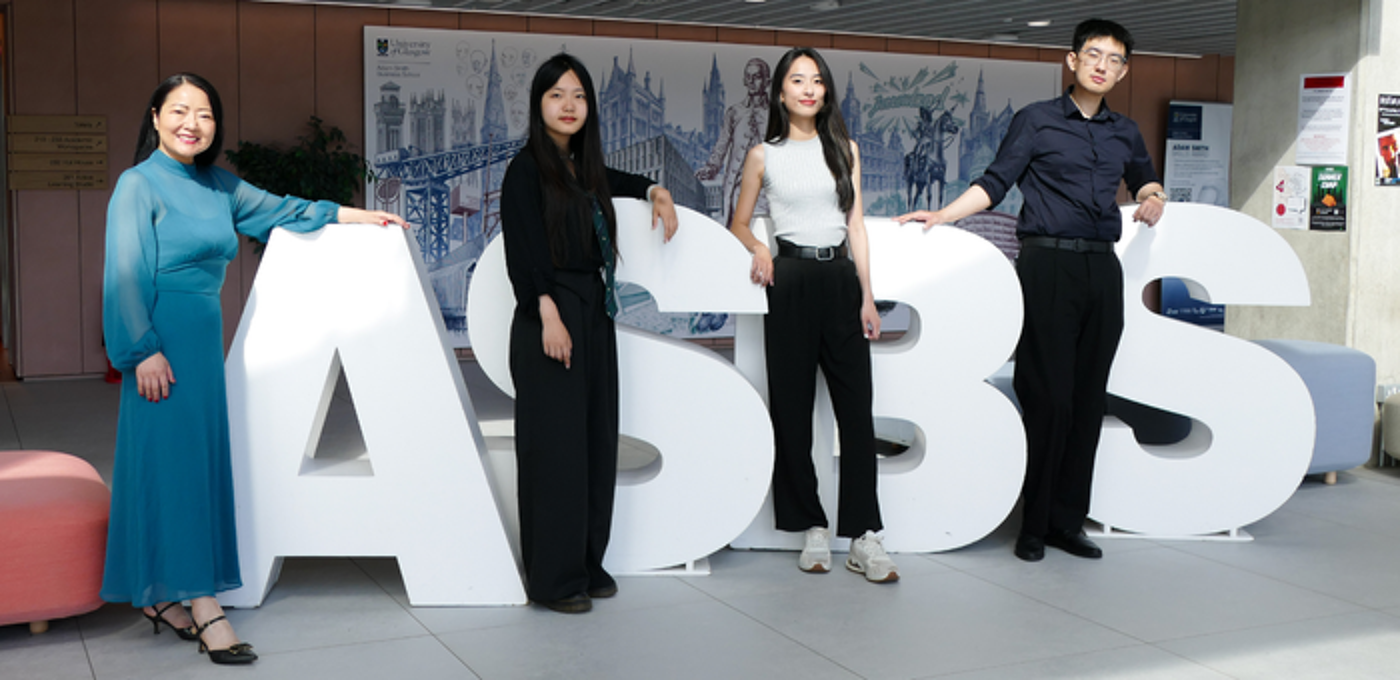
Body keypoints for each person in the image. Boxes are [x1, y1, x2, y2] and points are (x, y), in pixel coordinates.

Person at [102, 72, 407, 665]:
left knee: (192, 468)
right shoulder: (137, 186)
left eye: (205, 114)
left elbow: (281, 211)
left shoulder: (220, 186)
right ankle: (203, 603)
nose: (193, 123)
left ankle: (161, 598)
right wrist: (141, 350)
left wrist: (351, 215)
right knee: (175, 470)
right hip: (160, 344)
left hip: (200, 342)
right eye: (180, 111)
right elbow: (123, 272)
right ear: (156, 118)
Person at [897, 19, 1166, 563]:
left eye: (1114, 60)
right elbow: (995, 182)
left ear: (1123, 71)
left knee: (1089, 400)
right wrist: (944, 215)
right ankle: (1034, 524)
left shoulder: (1125, 131)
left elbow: (1145, 180)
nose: (1102, 66)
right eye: (1093, 55)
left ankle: (1069, 523)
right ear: (1072, 61)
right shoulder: (1036, 122)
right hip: (1046, 266)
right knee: (1049, 399)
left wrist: (1155, 195)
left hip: (1101, 272)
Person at [500, 53, 678, 614]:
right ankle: (554, 580)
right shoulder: (525, 169)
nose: (569, 105)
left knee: (595, 443)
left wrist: (655, 190)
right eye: (557, 95)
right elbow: (523, 249)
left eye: (578, 95)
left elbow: (624, 181)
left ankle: (586, 563)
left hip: (593, 312)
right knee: (554, 451)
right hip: (549, 314)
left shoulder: (585, 168)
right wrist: (547, 312)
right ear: (538, 105)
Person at [728, 47, 896, 583]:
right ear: (780, 93)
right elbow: (738, 223)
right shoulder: (763, 155)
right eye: (797, 80)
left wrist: (868, 296)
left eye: (816, 80)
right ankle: (812, 528)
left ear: (826, 93)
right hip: (790, 280)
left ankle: (864, 536)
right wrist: (759, 247)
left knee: (856, 411)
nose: (808, 88)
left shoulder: (845, 149)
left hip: (840, 281)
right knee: (793, 412)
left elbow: (857, 226)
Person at [697, 57, 771, 228]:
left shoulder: (777, 114)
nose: (752, 82)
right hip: (738, 186)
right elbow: (722, 145)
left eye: (757, 77)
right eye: (748, 77)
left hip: (766, 189)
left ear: (767, 81)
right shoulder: (734, 112)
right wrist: (711, 167)